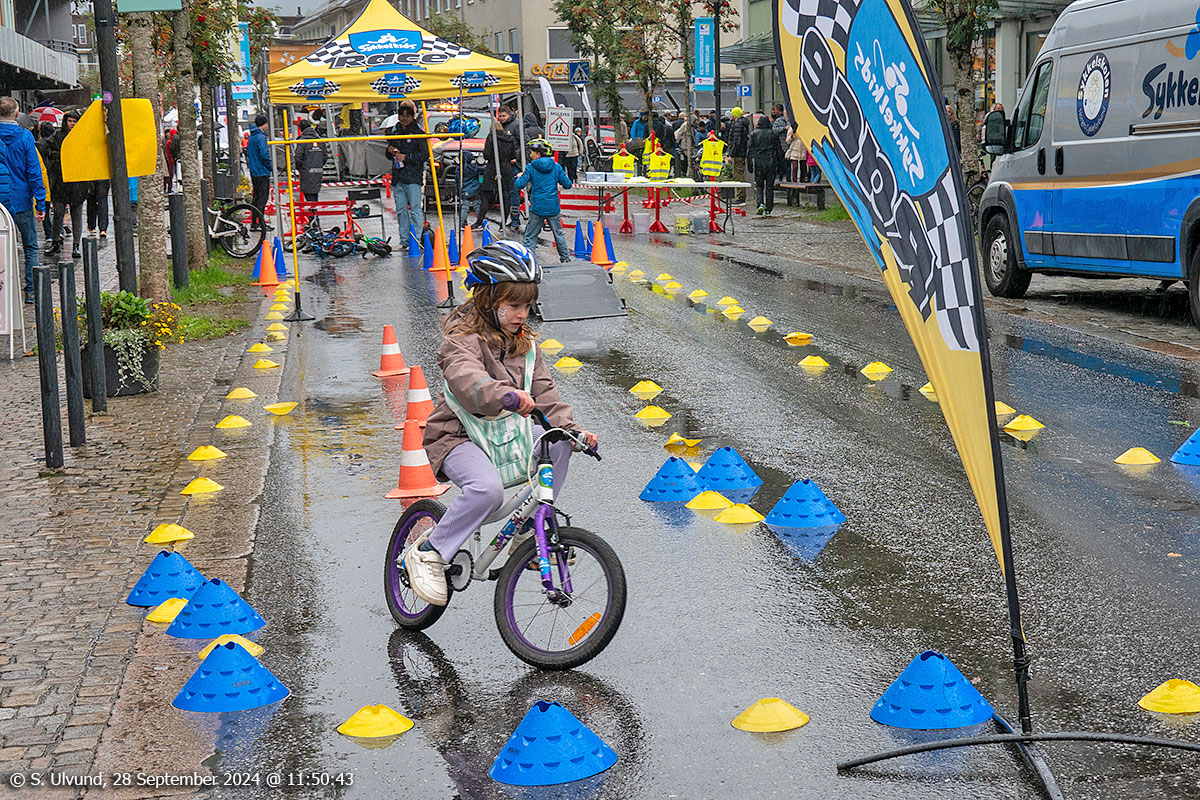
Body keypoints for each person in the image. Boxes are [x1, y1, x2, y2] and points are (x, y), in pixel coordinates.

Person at [406, 242, 598, 606]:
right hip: (458, 436)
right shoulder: (460, 340)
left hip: (508, 434)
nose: (522, 314)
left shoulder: (525, 345)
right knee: (487, 491)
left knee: (557, 441)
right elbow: (467, 381)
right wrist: (505, 395)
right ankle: (430, 551)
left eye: (527, 305)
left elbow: (546, 394)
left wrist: (573, 431)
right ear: (488, 300)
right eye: (513, 305)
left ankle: (528, 528)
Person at [0, 96, 47, 304]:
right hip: (21, 200)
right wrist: (41, 202)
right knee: (30, 246)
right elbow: (34, 172)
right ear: (17, 114)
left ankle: (4, 291)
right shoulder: (25, 137)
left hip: (1, 202)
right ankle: (31, 291)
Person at [513, 138, 572, 263]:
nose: (530, 155)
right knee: (559, 234)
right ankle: (565, 259)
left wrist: (519, 176)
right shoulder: (556, 167)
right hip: (553, 206)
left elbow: (519, 184)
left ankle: (529, 260)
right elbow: (567, 184)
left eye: (532, 152)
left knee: (530, 236)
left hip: (537, 207)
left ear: (538, 154)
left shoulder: (531, 167)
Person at [45, 109, 89, 259]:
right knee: (58, 213)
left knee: (77, 214)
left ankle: (76, 245)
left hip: (78, 181)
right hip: (61, 181)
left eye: (74, 121)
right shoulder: (57, 136)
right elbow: (48, 151)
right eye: (70, 121)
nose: (72, 124)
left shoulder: (83, 136)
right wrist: (62, 156)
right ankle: (55, 242)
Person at [387, 100, 429, 241]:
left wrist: (406, 157)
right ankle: (404, 239)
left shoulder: (419, 134)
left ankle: (416, 239)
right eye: (402, 115)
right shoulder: (394, 132)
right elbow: (387, 154)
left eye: (407, 115)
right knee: (401, 211)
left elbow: (424, 155)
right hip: (398, 177)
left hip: (413, 178)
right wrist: (390, 151)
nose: (404, 118)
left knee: (415, 210)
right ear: (398, 116)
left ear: (412, 117)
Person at [478, 119, 518, 230]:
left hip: (493, 168)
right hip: (506, 168)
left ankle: (479, 221)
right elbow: (513, 155)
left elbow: (486, 155)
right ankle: (503, 223)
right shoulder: (509, 139)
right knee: (505, 196)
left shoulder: (491, 138)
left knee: (487, 196)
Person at [747, 114, 784, 217]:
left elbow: (750, 150)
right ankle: (768, 209)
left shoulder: (754, 134)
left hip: (759, 162)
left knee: (759, 185)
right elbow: (779, 150)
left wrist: (750, 164)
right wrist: (780, 165)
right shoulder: (773, 133)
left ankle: (760, 203)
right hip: (771, 162)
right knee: (769, 187)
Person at [293, 119, 327, 203]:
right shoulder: (320, 140)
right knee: (315, 193)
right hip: (318, 170)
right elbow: (325, 156)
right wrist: (319, 165)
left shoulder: (302, 141)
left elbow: (298, 157)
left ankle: (312, 210)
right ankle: (314, 209)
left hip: (306, 170)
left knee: (309, 194)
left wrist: (301, 168)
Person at [247, 113, 272, 228]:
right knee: (262, 199)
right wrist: (270, 166)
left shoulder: (252, 137)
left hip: (254, 171)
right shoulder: (261, 137)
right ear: (263, 124)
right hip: (262, 171)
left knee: (256, 198)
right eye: (266, 123)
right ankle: (261, 223)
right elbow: (264, 154)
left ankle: (254, 222)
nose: (267, 126)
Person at [723, 106, 750, 203]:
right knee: (739, 173)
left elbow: (736, 141)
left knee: (738, 174)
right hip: (740, 153)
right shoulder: (742, 124)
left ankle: (740, 197)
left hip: (738, 154)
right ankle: (740, 195)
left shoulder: (737, 125)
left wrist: (731, 154)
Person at [770, 104, 790, 184]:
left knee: (784, 163)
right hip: (783, 144)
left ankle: (783, 177)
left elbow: (774, 130)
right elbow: (775, 130)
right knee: (784, 163)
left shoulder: (783, 121)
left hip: (784, 145)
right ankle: (784, 177)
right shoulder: (780, 121)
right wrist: (784, 128)